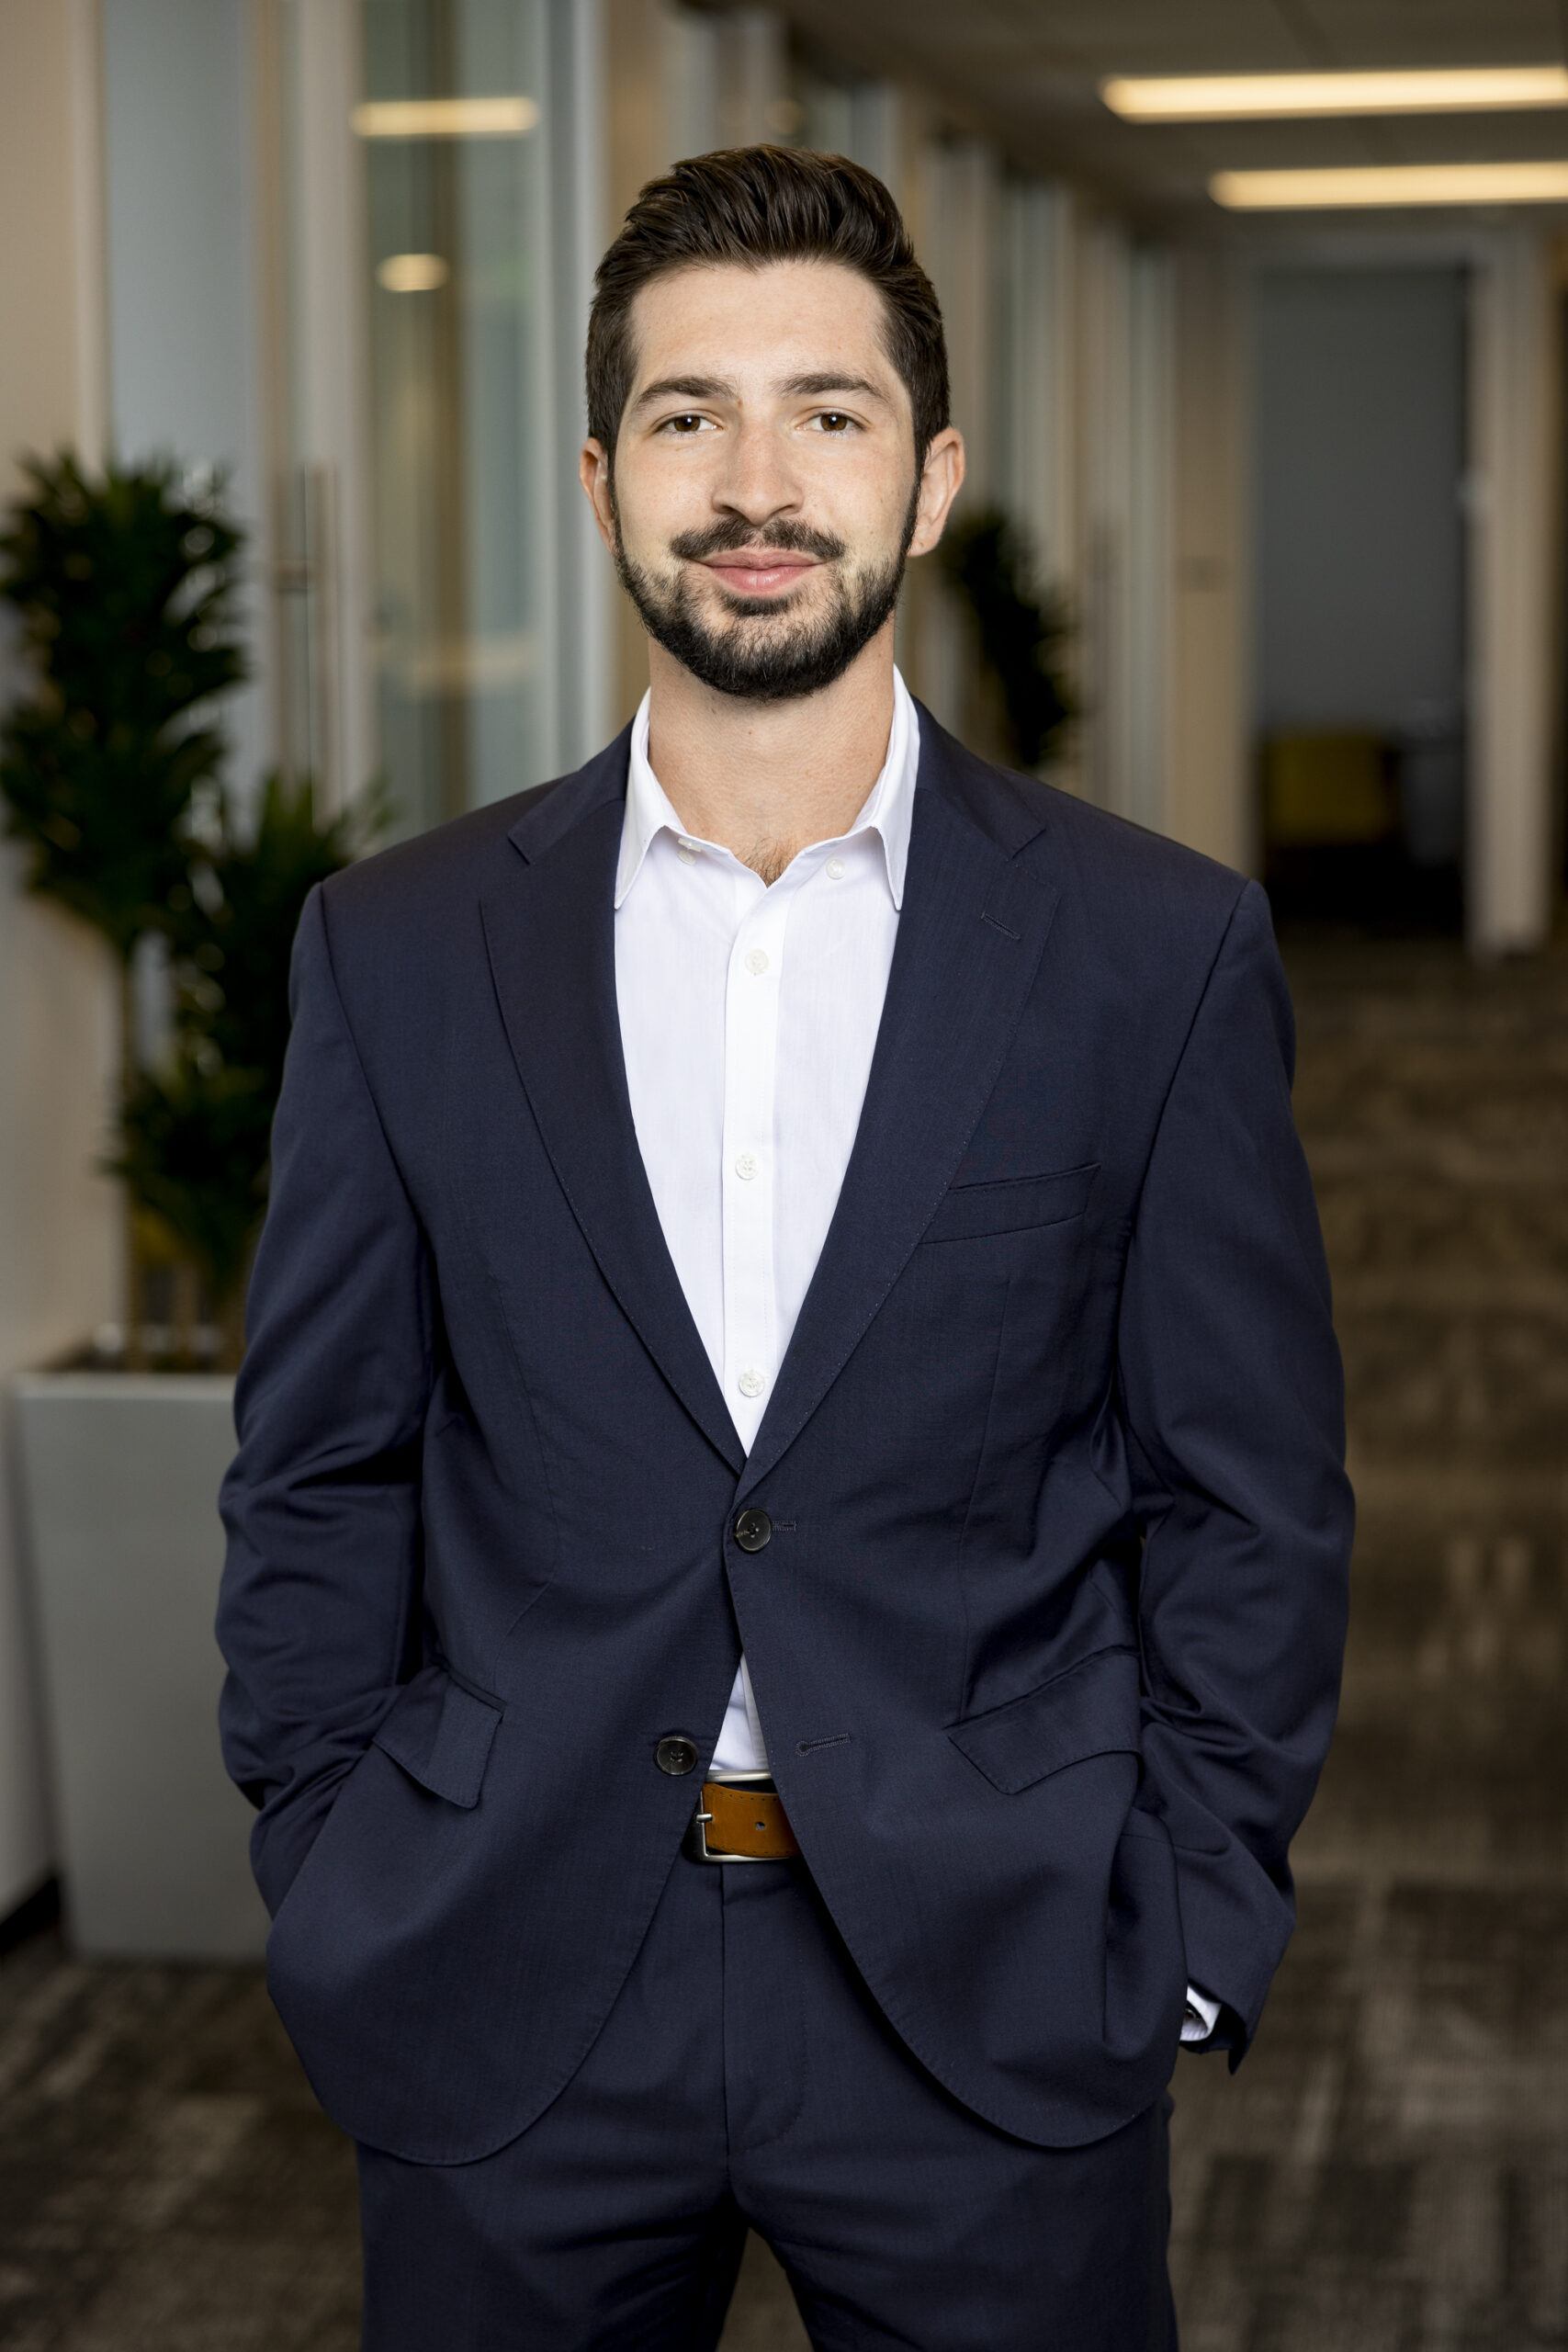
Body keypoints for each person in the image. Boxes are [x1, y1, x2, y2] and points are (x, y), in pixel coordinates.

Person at [217, 146, 1352, 2350]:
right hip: (509, 1963)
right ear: (599, 479)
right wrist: (331, 1861)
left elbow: (1245, 1488)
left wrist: (1188, 1918)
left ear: (927, 482)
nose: (756, 481)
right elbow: (318, 1461)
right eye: (685, 417)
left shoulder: (1150, 949)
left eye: (824, 415)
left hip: (991, 1981)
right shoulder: (398, 949)